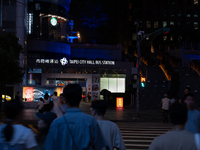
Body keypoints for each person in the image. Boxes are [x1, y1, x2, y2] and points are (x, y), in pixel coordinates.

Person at [43, 84, 107, 150]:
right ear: (80, 98)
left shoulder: (56, 123)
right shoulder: (91, 121)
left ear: (65, 99)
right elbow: (99, 146)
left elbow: (48, 146)